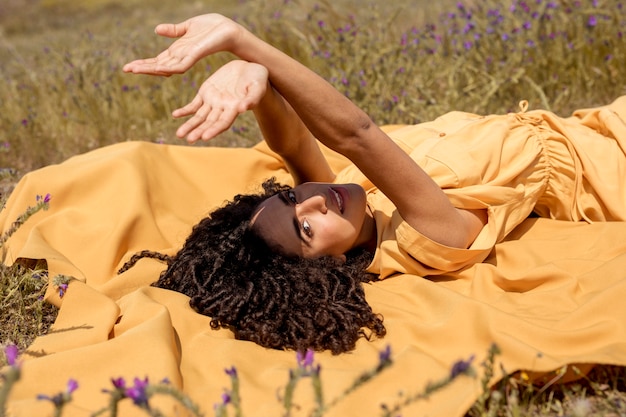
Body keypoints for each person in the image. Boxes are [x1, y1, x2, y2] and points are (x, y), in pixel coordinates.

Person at [121, 13, 626, 354]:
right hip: (611, 167)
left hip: (590, 123)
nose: (316, 199)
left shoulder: (347, 205)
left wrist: (251, 77)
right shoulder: (421, 239)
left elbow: (294, 144)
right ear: (328, 267)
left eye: (289, 196)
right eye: (306, 230)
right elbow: (356, 135)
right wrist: (241, 38)